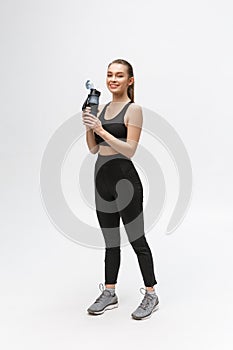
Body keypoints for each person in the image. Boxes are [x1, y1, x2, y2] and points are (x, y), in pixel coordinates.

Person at [82, 58, 159, 320]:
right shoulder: (100, 108)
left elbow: (130, 150)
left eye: (119, 75)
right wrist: (89, 126)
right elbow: (93, 149)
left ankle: (151, 294)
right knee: (110, 242)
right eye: (109, 75)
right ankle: (110, 292)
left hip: (125, 180)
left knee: (137, 240)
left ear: (130, 80)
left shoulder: (132, 109)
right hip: (101, 179)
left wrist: (101, 130)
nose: (113, 79)